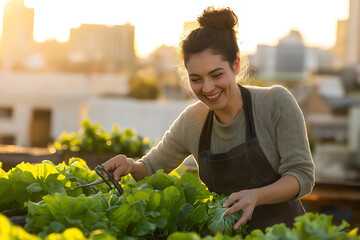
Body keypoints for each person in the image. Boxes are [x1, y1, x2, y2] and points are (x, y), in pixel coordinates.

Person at [103, 6, 315, 232]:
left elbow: (301, 175)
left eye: (216, 75)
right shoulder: (193, 121)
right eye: (196, 79)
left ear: (235, 65)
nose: (207, 88)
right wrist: (129, 165)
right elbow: (152, 167)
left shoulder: (275, 102)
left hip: (285, 235)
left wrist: (256, 196)